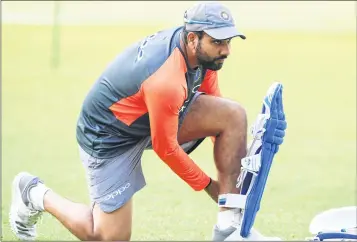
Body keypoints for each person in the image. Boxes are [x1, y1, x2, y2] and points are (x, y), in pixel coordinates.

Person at [10, 1, 252, 241]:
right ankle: (33, 192)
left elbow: (217, 107)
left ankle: (228, 228)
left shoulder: (203, 56)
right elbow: (166, 148)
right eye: (217, 42)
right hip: (108, 136)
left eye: (228, 41)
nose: (226, 50)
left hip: (152, 115)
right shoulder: (167, 79)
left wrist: (235, 153)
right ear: (192, 39)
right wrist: (210, 185)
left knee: (232, 115)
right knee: (107, 236)